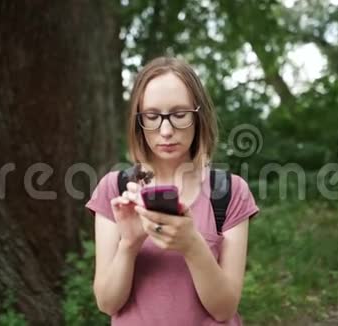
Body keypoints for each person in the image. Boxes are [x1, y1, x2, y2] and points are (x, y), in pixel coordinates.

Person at [85, 56, 259, 325]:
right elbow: (107, 303)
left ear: (199, 117)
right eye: (152, 117)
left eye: (179, 115)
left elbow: (224, 309)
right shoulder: (114, 190)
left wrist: (191, 244)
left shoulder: (230, 191)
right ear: (138, 122)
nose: (166, 130)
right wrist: (129, 245)